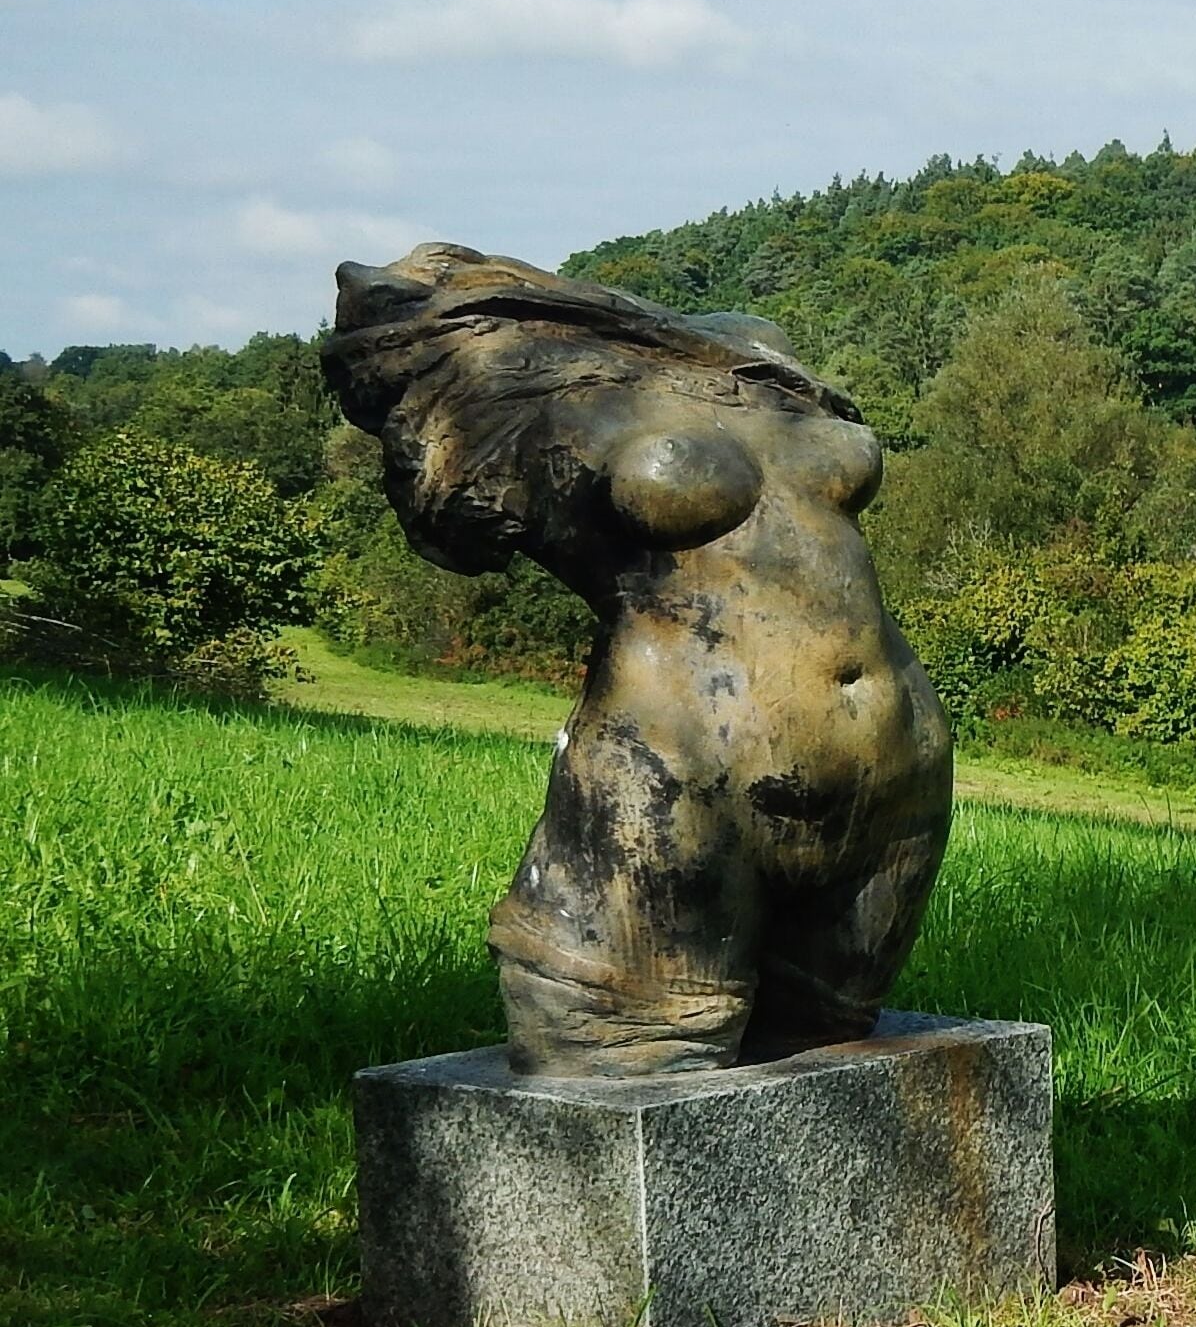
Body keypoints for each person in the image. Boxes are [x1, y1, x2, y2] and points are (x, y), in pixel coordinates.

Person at [326, 243, 952, 1076]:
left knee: (828, 1077)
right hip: (674, 773)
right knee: (619, 1074)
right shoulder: (501, 397)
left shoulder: (738, 346)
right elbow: (456, 534)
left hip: (896, 767)